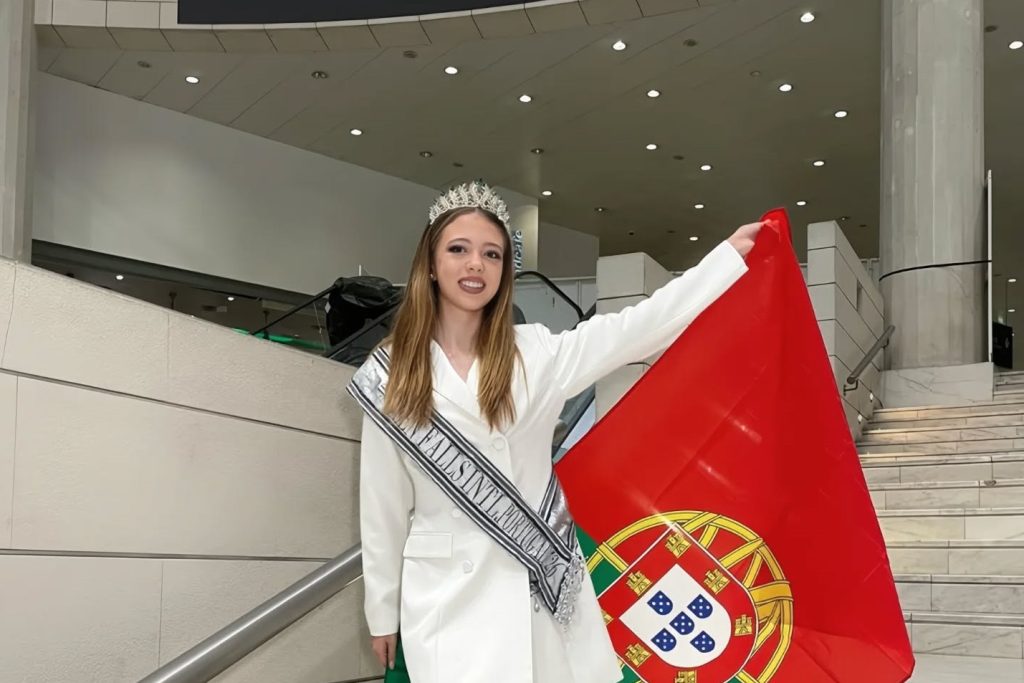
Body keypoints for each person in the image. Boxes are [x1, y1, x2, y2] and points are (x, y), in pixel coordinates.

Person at [347, 181, 761, 683]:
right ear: (431, 265)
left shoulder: (536, 352)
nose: (475, 264)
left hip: (539, 588)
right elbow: (382, 507)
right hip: (445, 600)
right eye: (459, 249)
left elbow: (636, 327)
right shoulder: (391, 372)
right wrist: (381, 611)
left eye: (491, 254)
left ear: (504, 271)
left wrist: (723, 263)